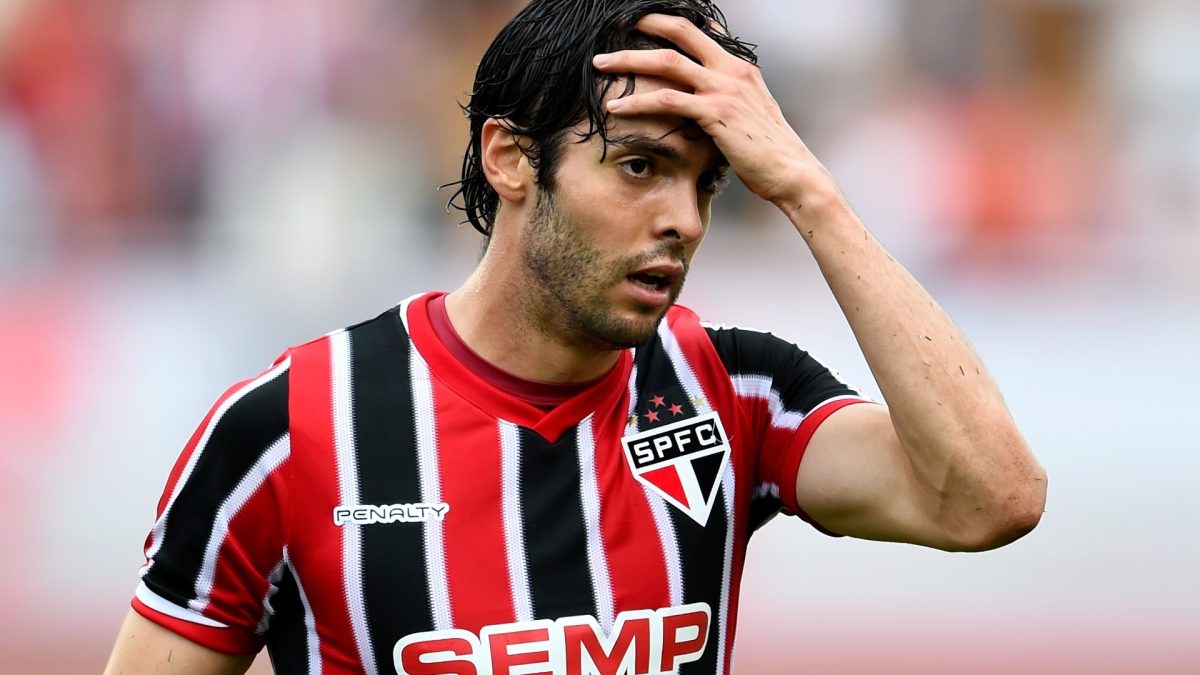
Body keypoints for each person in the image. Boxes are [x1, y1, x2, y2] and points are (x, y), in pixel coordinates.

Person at [104, 1, 1047, 673]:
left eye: (706, 184)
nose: (682, 218)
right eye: (639, 167)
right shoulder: (289, 430)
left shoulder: (734, 390)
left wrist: (811, 194)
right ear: (511, 159)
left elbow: (991, 498)